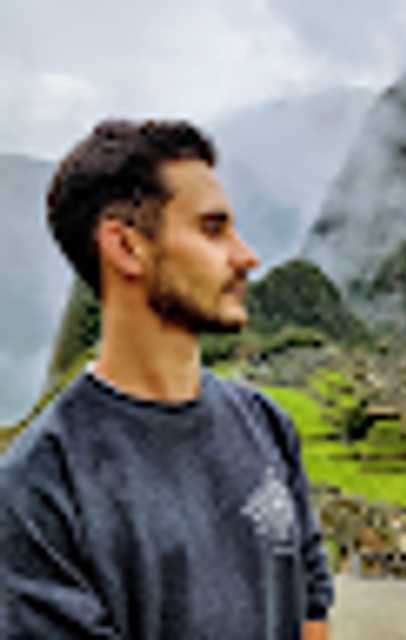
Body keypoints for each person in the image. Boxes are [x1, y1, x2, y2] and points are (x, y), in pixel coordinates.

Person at [0, 120, 334, 639]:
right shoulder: (43, 487)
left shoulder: (267, 425)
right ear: (125, 247)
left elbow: (311, 608)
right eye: (213, 229)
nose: (247, 257)